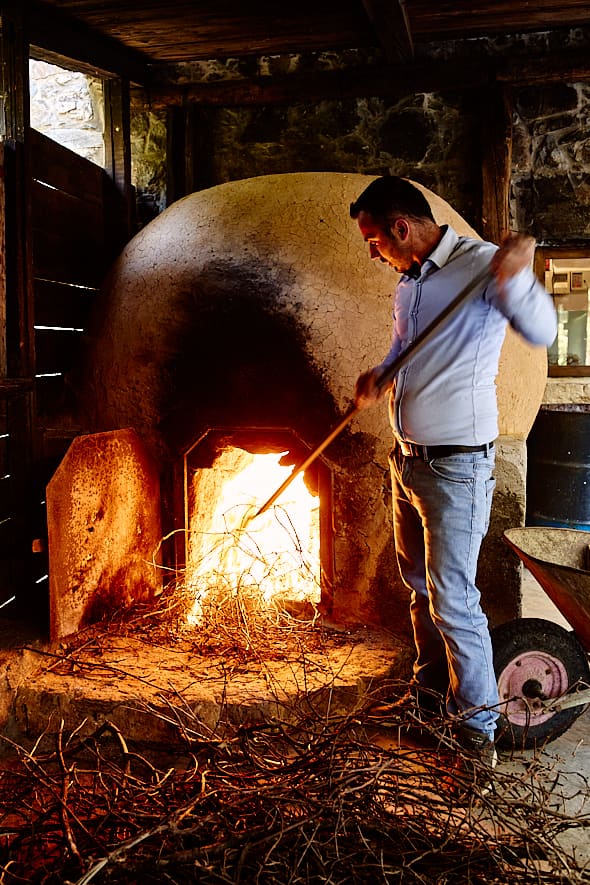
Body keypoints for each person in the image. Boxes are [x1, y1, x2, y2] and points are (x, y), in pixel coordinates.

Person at [350, 175, 557, 775]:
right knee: (418, 588)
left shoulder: (482, 267)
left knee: (456, 602)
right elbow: (406, 348)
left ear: (401, 228)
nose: (372, 251)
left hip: (458, 466)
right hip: (409, 461)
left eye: (373, 240)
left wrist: (519, 271)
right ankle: (429, 697)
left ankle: (476, 735)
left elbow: (542, 330)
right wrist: (382, 374)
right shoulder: (409, 284)